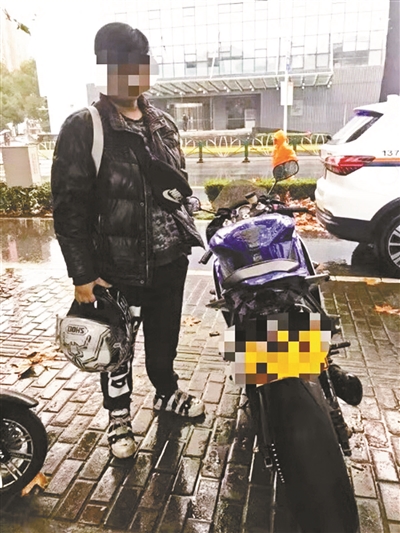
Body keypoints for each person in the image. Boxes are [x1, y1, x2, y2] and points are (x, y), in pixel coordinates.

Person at [51, 23, 205, 459]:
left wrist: (188, 211)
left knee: (164, 339)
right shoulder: (85, 127)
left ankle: (166, 391)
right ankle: (118, 415)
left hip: (169, 258)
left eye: (137, 65)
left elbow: (177, 184)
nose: (130, 76)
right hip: (116, 266)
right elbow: (68, 207)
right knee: (117, 347)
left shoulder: (164, 123)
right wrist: (82, 274)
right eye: (118, 66)